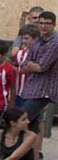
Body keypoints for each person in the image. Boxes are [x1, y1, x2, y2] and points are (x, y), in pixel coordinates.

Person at [17, 11, 58, 144]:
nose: (43, 26)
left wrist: (31, 64)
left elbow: (42, 67)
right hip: (30, 88)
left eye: (47, 23)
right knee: (32, 127)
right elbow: (24, 63)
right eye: (41, 23)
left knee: (19, 122)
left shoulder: (55, 42)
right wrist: (31, 64)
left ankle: (14, 156)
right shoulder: (38, 40)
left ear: (54, 25)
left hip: (44, 91)